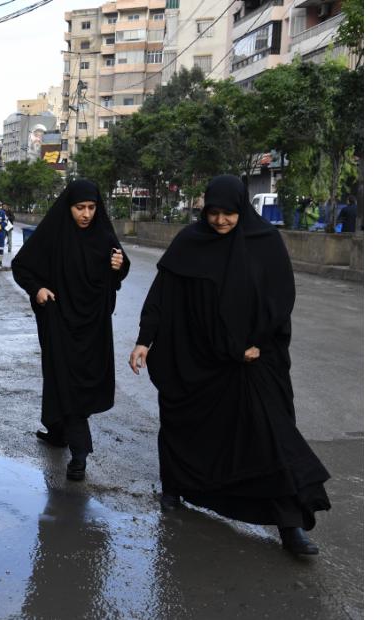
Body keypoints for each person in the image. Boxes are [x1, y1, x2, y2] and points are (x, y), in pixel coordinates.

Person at [128, 174, 331, 556]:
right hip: (198, 357)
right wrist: (145, 339)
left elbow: (279, 300)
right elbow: (162, 296)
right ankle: (175, 487)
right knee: (186, 425)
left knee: (270, 436)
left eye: (229, 213)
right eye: (213, 213)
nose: (220, 220)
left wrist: (255, 343)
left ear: (242, 209)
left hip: (253, 360)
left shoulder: (265, 242)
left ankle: (290, 526)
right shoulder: (190, 242)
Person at [12, 180, 129, 481]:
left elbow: (119, 269)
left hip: (94, 327)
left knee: (74, 382)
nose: (86, 214)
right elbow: (21, 266)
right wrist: (37, 289)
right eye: (80, 208)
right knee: (64, 381)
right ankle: (80, 454)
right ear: (68, 207)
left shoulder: (103, 235)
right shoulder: (54, 234)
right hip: (60, 322)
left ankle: (57, 432)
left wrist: (119, 266)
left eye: (91, 207)